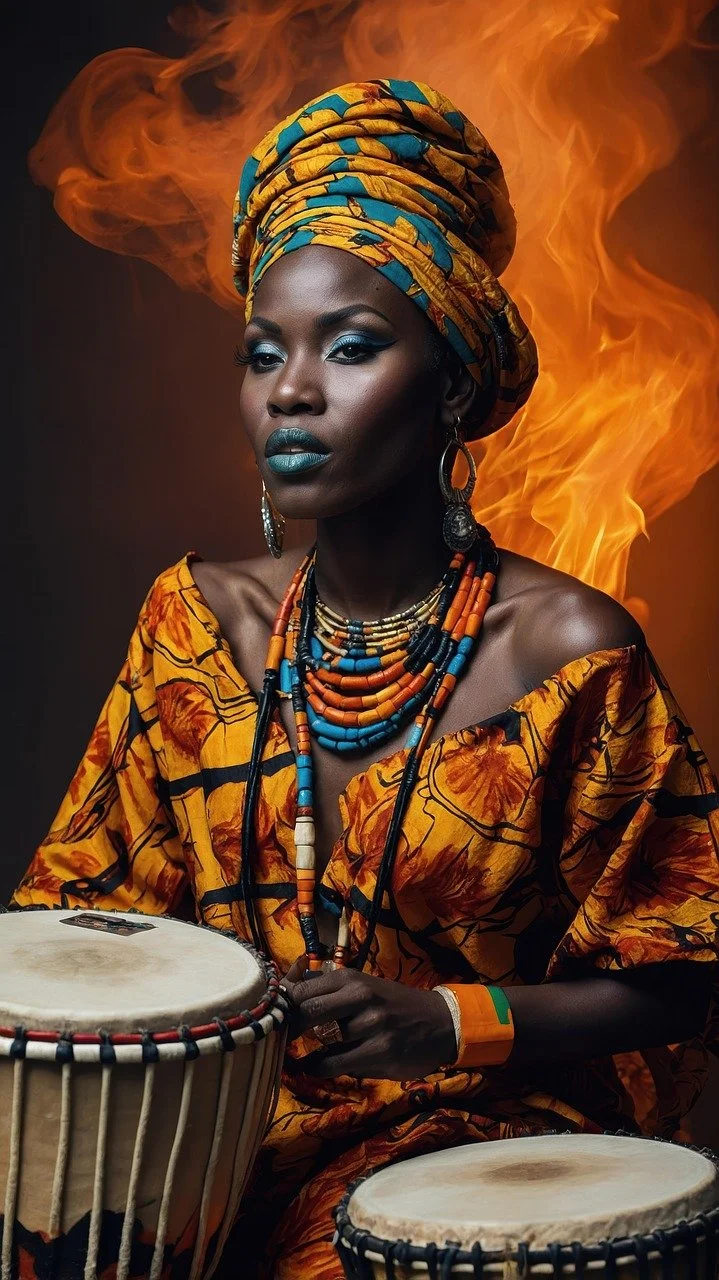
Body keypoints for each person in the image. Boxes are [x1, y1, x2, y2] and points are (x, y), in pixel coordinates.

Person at [11, 79, 719, 1279]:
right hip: (191, 1126)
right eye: (262, 352)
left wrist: (446, 1018)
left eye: (349, 346)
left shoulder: (565, 654)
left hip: (454, 1138)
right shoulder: (192, 624)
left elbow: (682, 975)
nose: (292, 388)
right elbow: (72, 920)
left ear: (449, 382)